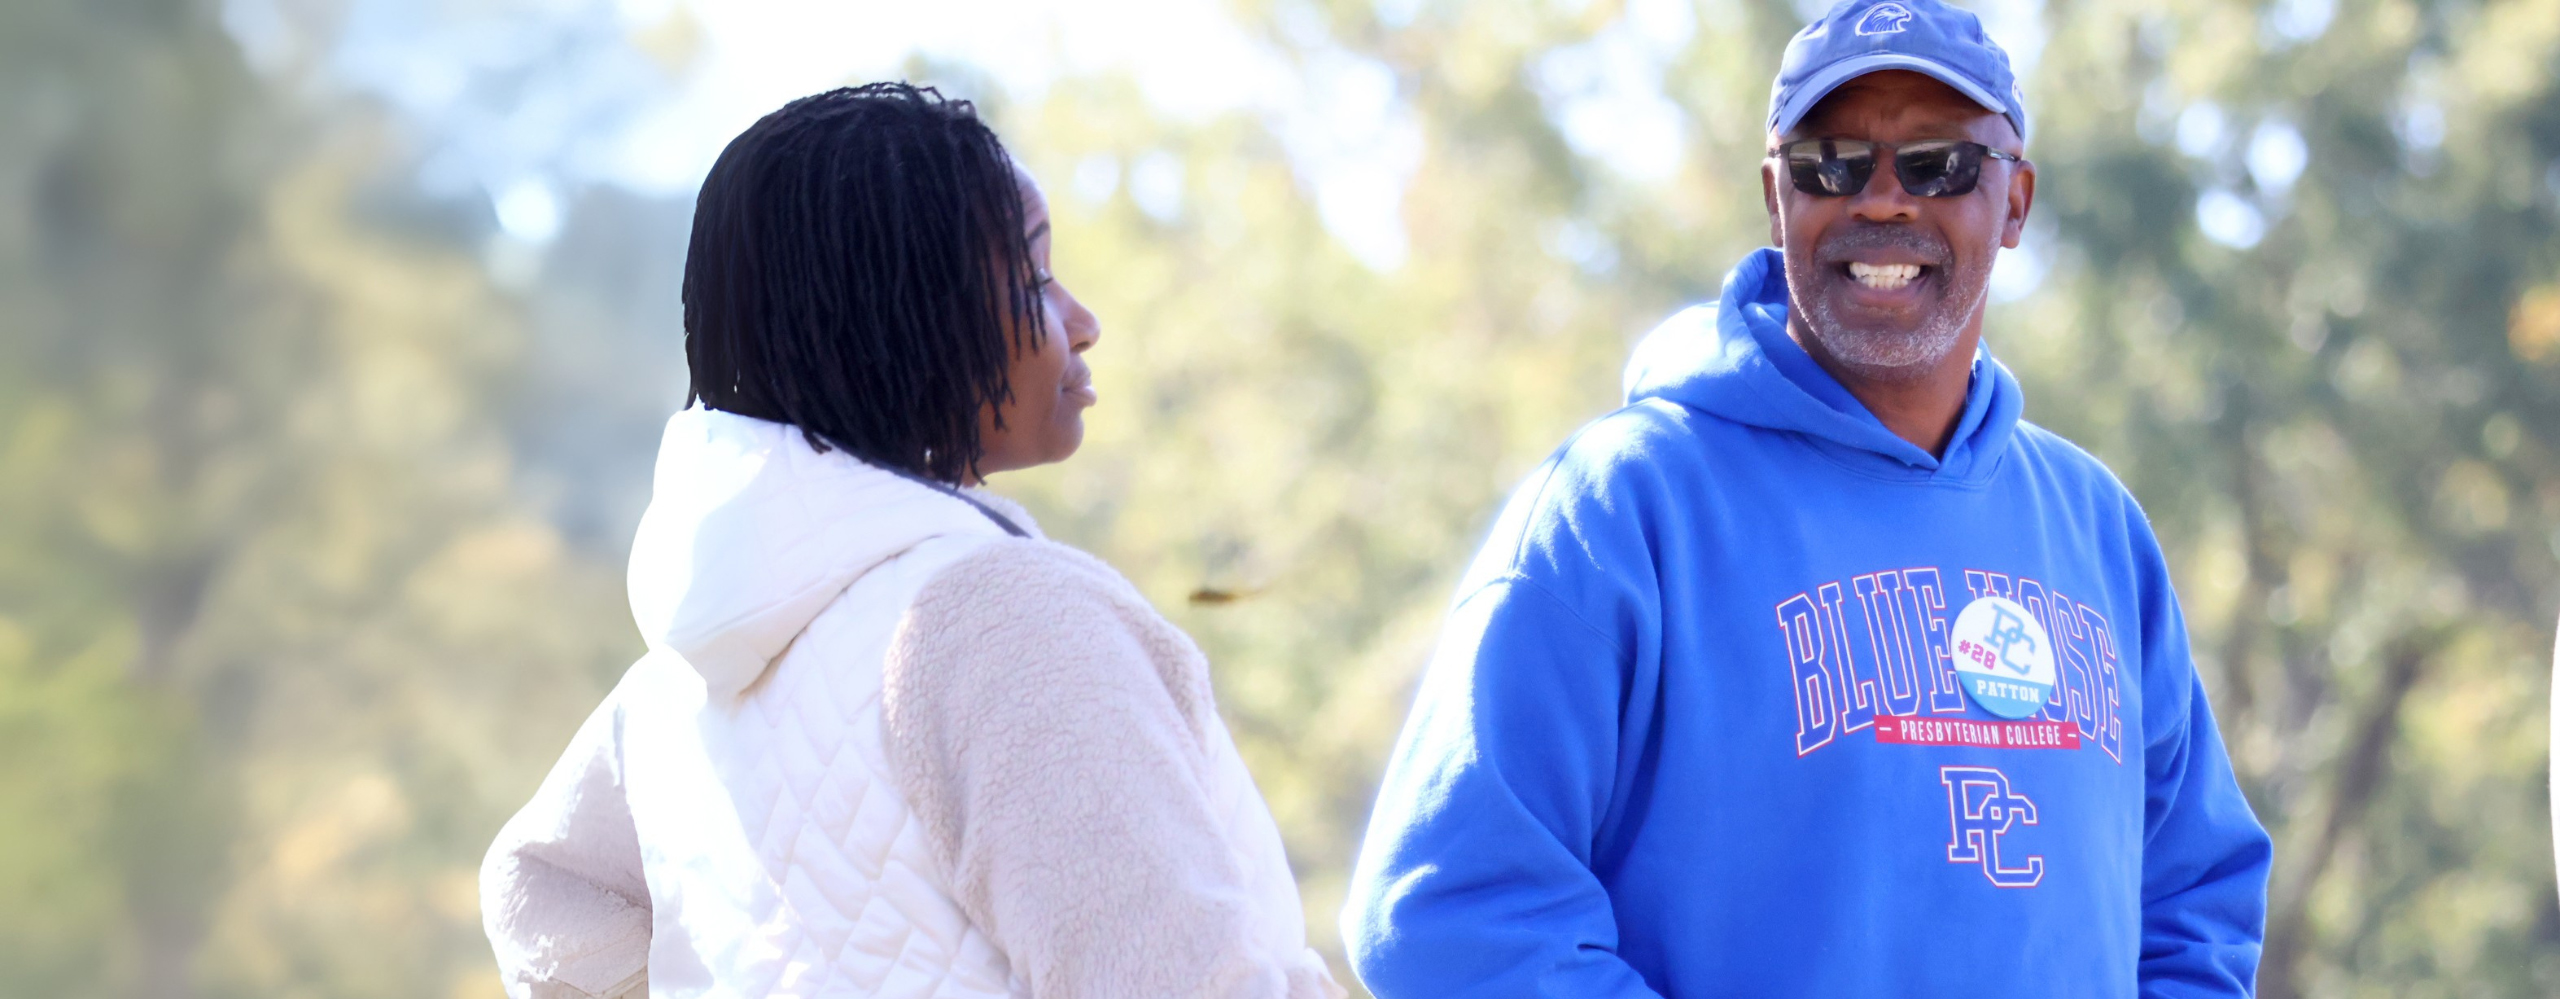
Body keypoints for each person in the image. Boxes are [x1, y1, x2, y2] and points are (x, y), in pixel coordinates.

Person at [1341, 2, 2271, 996]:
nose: (1881, 201)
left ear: (2014, 202)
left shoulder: (2095, 530)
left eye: (1938, 164)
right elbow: (1449, 911)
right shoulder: (1620, 511)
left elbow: (2195, 898)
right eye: (1829, 163)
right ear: (1776, 197)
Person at [480, 83, 1340, 999]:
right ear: (913, 309)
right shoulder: (1008, 621)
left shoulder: (678, 683)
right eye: (1035, 274)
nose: (1081, 321)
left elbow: (544, 901)